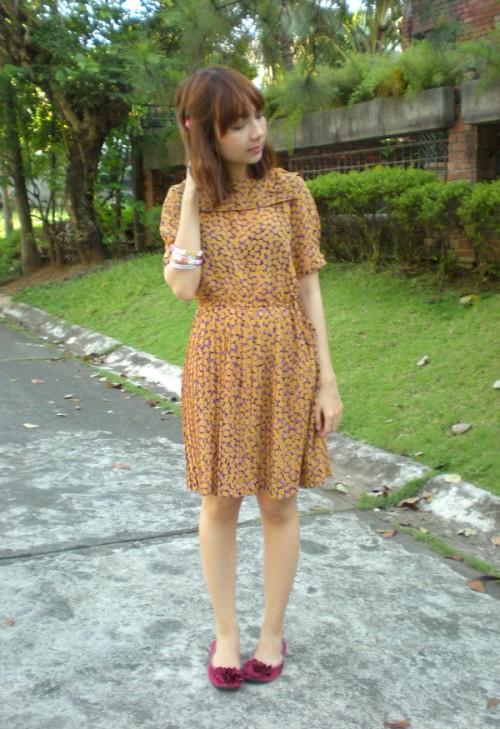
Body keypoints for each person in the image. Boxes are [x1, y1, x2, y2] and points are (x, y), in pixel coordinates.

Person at [160, 66, 343, 690]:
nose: (257, 132)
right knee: (219, 501)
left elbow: (309, 287)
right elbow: (184, 286)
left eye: (259, 116)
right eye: (238, 125)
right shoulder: (182, 201)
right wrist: (192, 198)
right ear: (202, 132)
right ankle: (227, 635)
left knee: (279, 500)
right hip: (217, 358)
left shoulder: (290, 192)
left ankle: (272, 631)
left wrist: (326, 381)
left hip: (286, 356)